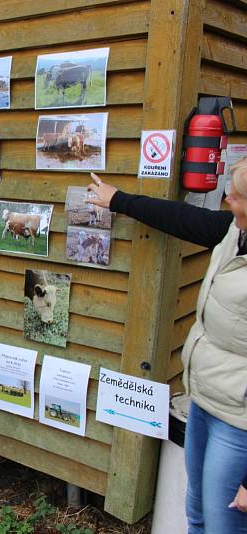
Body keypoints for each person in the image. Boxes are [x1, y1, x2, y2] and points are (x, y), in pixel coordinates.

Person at [87, 162, 247, 534]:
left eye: (236, 195)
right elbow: (182, 218)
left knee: (225, 525)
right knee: (198, 514)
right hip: (205, 402)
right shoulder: (233, 234)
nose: (227, 198)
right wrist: (119, 200)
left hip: (239, 423)